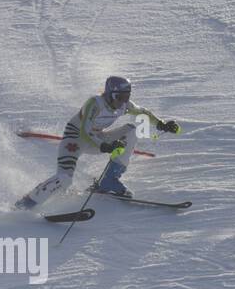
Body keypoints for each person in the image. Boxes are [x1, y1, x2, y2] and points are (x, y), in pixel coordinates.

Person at [16, 76, 179, 208]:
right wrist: (105, 146)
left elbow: (143, 112)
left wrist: (161, 124)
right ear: (110, 94)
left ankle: (108, 181)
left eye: (127, 97)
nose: (123, 101)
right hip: (75, 140)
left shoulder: (124, 106)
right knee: (64, 179)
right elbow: (85, 131)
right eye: (120, 97)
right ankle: (27, 203)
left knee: (131, 130)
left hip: (99, 139)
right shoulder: (95, 103)